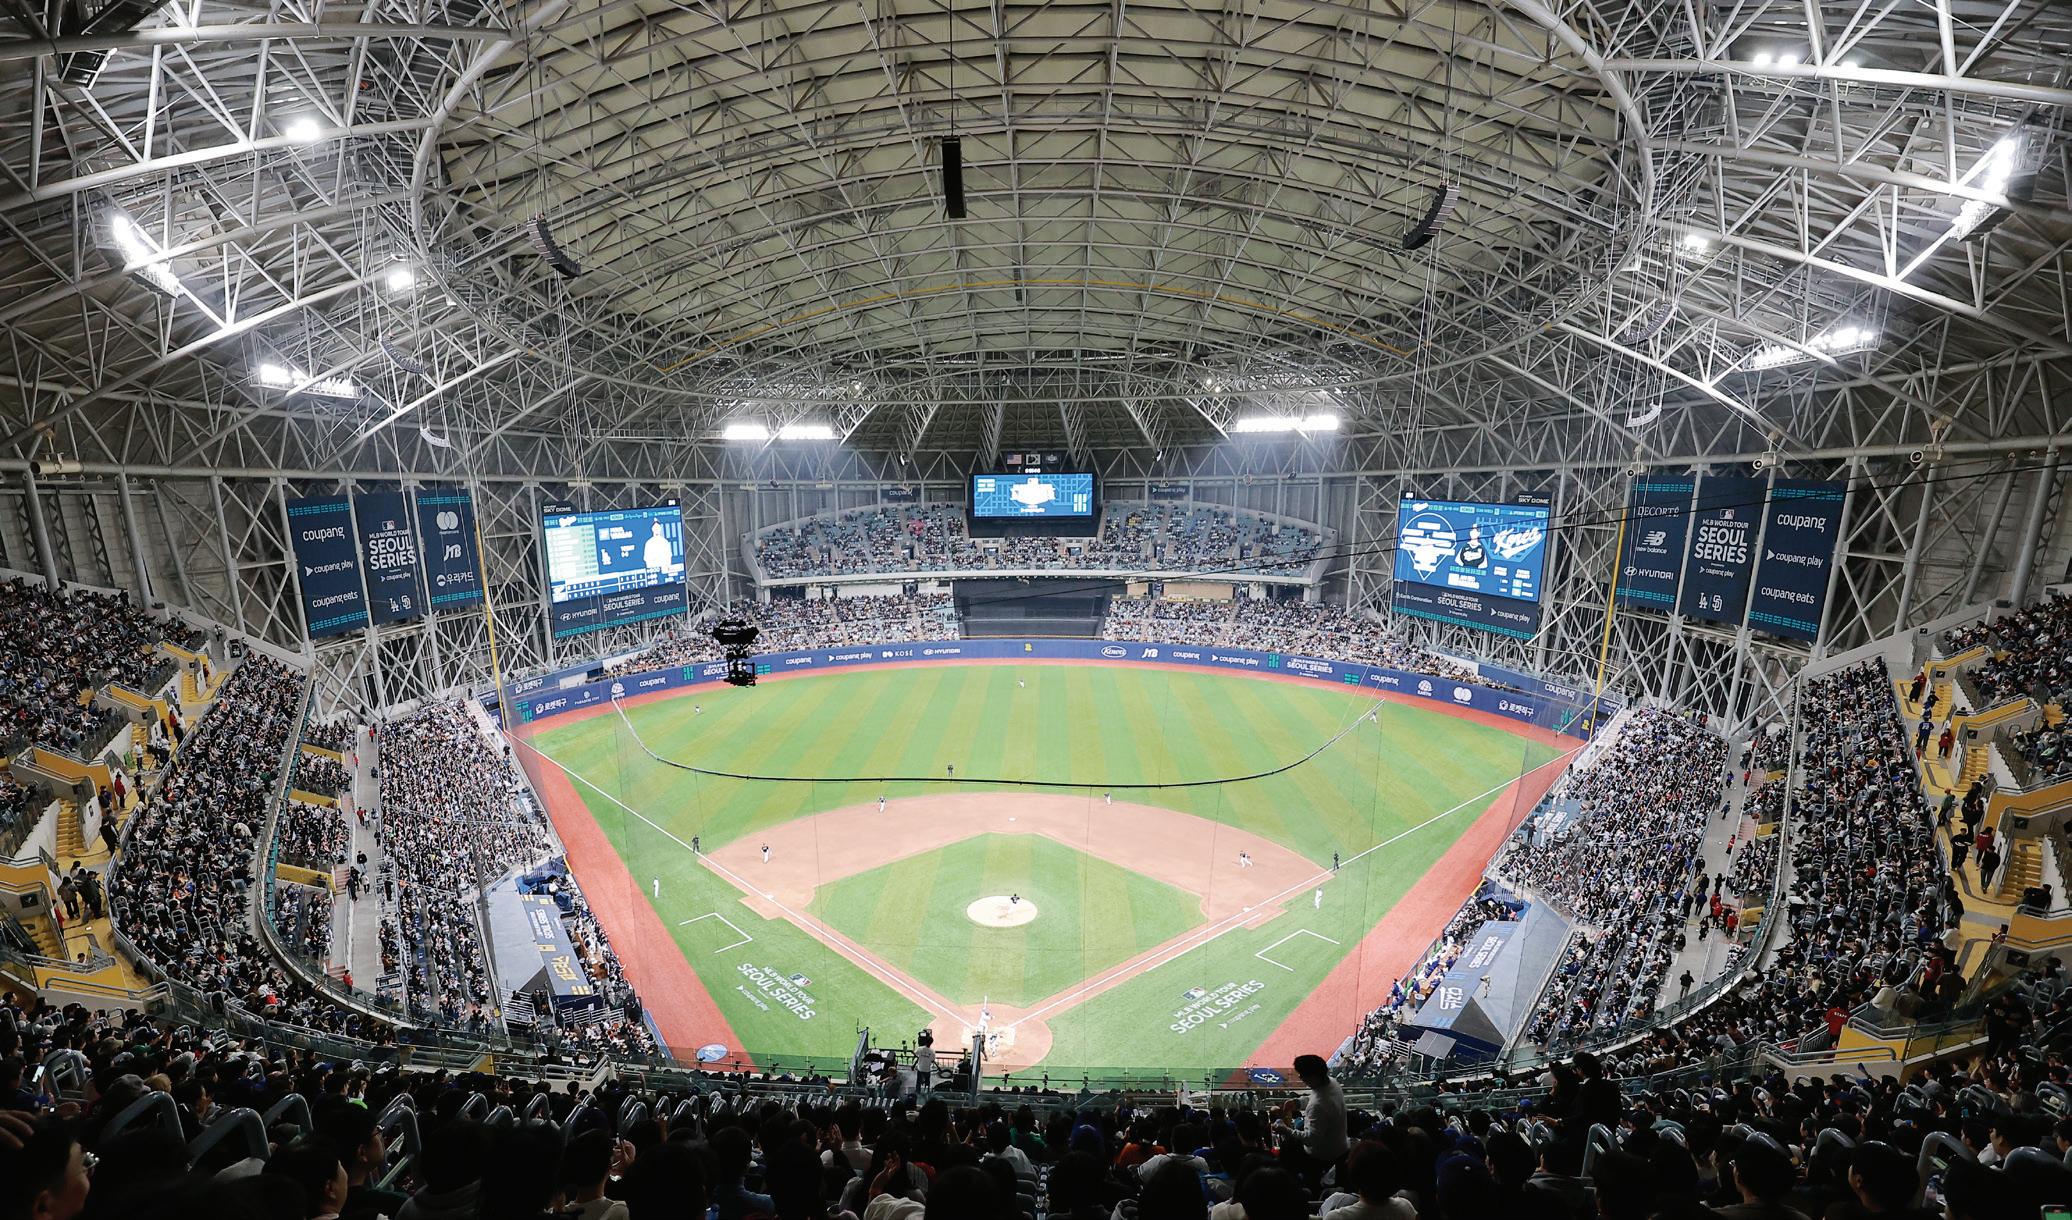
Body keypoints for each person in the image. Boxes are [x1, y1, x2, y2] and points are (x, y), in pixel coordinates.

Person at [1277, 1054, 1348, 1190]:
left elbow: (1311, 1140)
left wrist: (1285, 1129)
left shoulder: (1318, 1106)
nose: (1300, 1077)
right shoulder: (1332, 1083)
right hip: (1339, 1145)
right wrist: (1298, 1102)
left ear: (1314, 1077)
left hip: (1323, 1155)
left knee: (1288, 1150)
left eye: (1302, 1074)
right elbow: (1316, 1097)